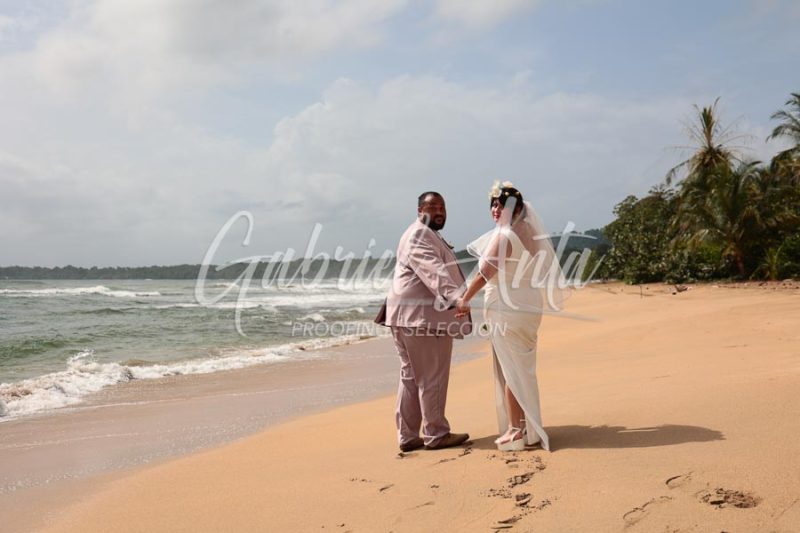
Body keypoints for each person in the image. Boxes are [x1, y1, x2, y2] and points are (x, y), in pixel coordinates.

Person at [455, 181, 567, 452]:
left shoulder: (505, 237)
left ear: (514, 207)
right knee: (523, 366)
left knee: (511, 369)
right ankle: (528, 427)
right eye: (493, 204)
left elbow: (485, 274)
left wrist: (464, 299)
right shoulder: (530, 232)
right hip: (528, 303)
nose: (495, 208)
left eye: (501, 204)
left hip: (508, 307)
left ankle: (516, 430)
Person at [385, 191, 472, 452]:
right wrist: (458, 297)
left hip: (406, 318)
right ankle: (436, 434)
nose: (439, 212)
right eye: (432, 207)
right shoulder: (420, 234)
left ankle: (409, 436)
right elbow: (434, 271)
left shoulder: (420, 233)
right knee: (431, 376)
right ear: (419, 210)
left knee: (411, 376)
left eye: (442, 207)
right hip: (422, 319)